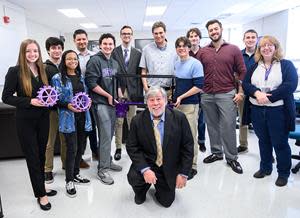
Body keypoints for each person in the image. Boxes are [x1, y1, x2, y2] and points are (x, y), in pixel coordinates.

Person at [2, 39, 56, 211]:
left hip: (43, 119)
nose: (32, 54)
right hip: (25, 121)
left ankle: (41, 185)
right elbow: (7, 97)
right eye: (28, 51)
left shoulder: (43, 70)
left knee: (41, 154)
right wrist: (30, 101)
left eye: (35, 51)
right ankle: (41, 194)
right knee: (32, 156)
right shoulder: (15, 71)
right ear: (22, 53)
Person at [242, 35, 298, 187]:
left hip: (278, 111)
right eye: (263, 46)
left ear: (275, 47)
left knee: (280, 143)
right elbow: (246, 84)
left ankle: (283, 173)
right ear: (259, 49)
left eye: (269, 45)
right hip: (257, 111)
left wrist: (268, 97)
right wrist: (257, 93)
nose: (266, 48)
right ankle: (265, 168)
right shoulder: (254, 66)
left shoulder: (286, 65)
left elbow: (290, 85)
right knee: (263, 141)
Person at [126, 86, 193, 207]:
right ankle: (141, 191)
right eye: (151, 100)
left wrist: (183, 173)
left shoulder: (179, 118)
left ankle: (161, 188)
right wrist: (145, 170)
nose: (155, 103)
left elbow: (188, 146)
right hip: (148, 161)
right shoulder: (137, 120)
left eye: (159, 99)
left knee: (167, 202)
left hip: (169, 164)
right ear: (147, 103)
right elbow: (132, 147)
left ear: (166, 101)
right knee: (134, 177)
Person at [199, 19, 246, 174]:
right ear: (208, 33)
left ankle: (232, 157)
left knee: (228, 125)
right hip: (207, 94)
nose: (214, 32)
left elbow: (242, 71)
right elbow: (198, 71)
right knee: (211, 125)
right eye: (211, 30)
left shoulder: (233, 49)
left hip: (226, 93)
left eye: (216, 29)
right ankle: (217, 152)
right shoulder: (203, 51)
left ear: (221, 29)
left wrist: (240, 91)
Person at [52, 50, 92, 197]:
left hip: (83, 117)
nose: (73, 61)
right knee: (72, 149)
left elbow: (85, 95)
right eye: (69, 59)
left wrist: (88, 102)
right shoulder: (57, 78)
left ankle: (76, 174)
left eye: (75, 59)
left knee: (80, 148)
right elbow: (54, 99)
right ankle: (69, 180)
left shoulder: (80, 77)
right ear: (64, 60)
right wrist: (67, 105)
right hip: (68, 119)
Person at [85, 33, 122, 185]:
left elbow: (116, 82)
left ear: (113, 46)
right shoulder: (94, 60)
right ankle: (102, 169)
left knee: (110, 134)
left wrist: (119, 96)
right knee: (105, 135)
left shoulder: (114, 62)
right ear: (100, 45)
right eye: (105, 44)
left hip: (113, 103)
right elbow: (91, 83)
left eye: (110, 44)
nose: (107, 46)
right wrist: (107, 95)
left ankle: (108, 160)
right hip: (100, 103)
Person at [173, 36, 204, 180]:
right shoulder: (177, 62)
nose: (181, 48)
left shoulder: (195, 64)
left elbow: (199, 86)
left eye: (184, 46)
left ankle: (192, 166)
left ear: (189, 48)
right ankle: (181, 162)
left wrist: (181, 97)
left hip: (190, 105)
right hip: (178, 105)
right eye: (179, 46)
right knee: (179, 136)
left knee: (191, 136)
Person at [112, 25, 142, 161]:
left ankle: (133, 147)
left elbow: (139, 74)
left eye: (129, 34)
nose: (126, 36)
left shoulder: (137, 53)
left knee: (133, 120)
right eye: (124, 33)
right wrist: (117, 89)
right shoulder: (114, 52)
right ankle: (118, 147)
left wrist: (139, 92)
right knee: (119, 121)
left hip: (133, 91)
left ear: (132, 35)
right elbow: (113, 73)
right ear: (120, 35)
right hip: (120, 91)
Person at [44, 36, 67, 184]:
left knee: (65, 139)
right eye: (53, 48)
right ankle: (47, 169)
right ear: (48, 50)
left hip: (66, 110)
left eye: (59, 48)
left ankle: (66, 165)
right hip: (51, 111)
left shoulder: (64, 66)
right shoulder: (44, 67)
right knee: (50, 141)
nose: (56, 50)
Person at [73, 29, 98, 166]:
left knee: (93, 126)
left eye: (84, 39)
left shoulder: (95, 56)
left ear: (87, 40)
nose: (82, 42)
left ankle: (95, 152)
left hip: (93, 96)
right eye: (79, 39)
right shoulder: (71, 56)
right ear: (74, 41)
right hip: (77, 98)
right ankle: (80, 156)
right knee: (80, 128)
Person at [139, 21, 176, 96]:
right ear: (153, 34)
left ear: (165, 32)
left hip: (169, 91)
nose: (158, 35)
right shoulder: (146, 49)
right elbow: (143, 71)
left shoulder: (174, 49)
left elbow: (177, 69)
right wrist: (146, 89)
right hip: (151, 90)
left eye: (161, 32)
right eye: (156, 33)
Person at [237, 29, 258, 154]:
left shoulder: (261, 54)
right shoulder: (239, 54)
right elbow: (235, 72)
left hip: (257, 93)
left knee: (259, 121)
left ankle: (266, 149)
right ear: (244, 40)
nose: (250, 40)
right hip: (242, 91)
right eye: (248, 37)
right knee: (243, 119)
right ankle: (243, 144)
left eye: (253, 37)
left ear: (256, 39)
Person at [186, 27, 207, 153]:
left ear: (199, 38)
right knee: (190, 118)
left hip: (202, 90)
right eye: (191, 36)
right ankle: (190, 141)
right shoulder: (185, 53)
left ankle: (202, 141)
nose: (193, 38)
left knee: (201, 119)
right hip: (189, 90)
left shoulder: (204, 53)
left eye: (196, 36)